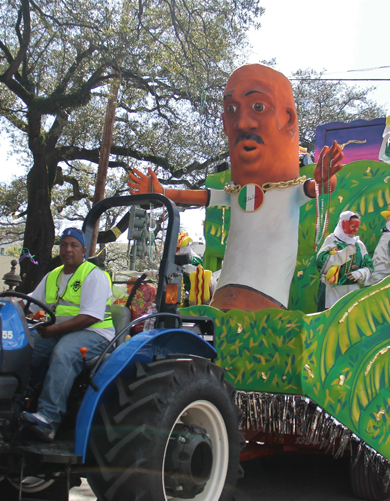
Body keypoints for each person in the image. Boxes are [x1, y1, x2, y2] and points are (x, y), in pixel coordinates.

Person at [128, 63, 344, 311]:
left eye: (258, 107)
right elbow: (205, 197)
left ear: (287, 118)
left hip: (265, 299)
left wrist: (325, 177)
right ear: (224, 123)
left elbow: (320, 187)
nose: (242, 123)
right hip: (225, 296)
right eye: (232, 110)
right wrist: (162, 192)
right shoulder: (236, 194)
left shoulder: (289, 190)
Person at [19, 228, 114, 442]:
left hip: (94, 334)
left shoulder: (94, 275)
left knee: (65, 352)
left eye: (73, 245)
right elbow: (31, 301)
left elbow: (90, 316)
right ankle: (14, 405)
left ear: (83, 251)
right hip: (59, 332)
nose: (67, 249)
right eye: (63, 244)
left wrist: (53, 330)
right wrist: (11, 305)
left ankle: (48, 418)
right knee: (23, 348)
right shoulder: (53, 275)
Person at [315, 211, 372, 310]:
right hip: (332, 292)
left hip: (352, 291)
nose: (355, 230)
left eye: (357, 227)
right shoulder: (332, 241)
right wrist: (343, 254)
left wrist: (360, 273)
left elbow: (369, 266)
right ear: (343, 224)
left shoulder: (359, 244)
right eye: (352, 226)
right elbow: (321, 264)